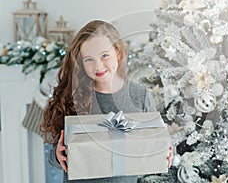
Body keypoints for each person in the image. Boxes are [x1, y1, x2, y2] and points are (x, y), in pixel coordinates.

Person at [40, 20, 173, 183]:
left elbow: (152, 145)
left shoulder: (140, 96)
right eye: (89, 59)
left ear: (117, 52)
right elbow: (54, 158)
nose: (98, 66)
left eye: (104, 56)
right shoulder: (72, 96)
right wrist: (57, 155)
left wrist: (164, 151)